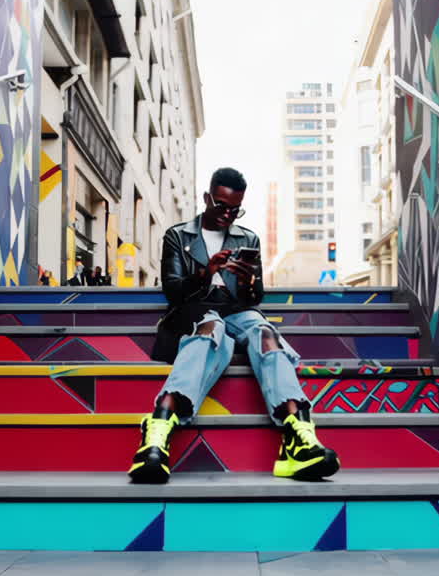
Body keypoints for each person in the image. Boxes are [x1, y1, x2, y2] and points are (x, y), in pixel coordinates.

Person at [128, 167, 340, 484]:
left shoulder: (248, 238)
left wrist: (248, 281)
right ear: (206, 198)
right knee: (211, 330)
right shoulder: (178, 235)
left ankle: (298, 436)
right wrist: (206, 273)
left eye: (235, 209)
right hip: (195, 313)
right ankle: (158, 429)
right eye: (221, 206)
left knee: (264, 332)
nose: (227, 215)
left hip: (237, 312)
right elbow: (173, 292)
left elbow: (255, 298)